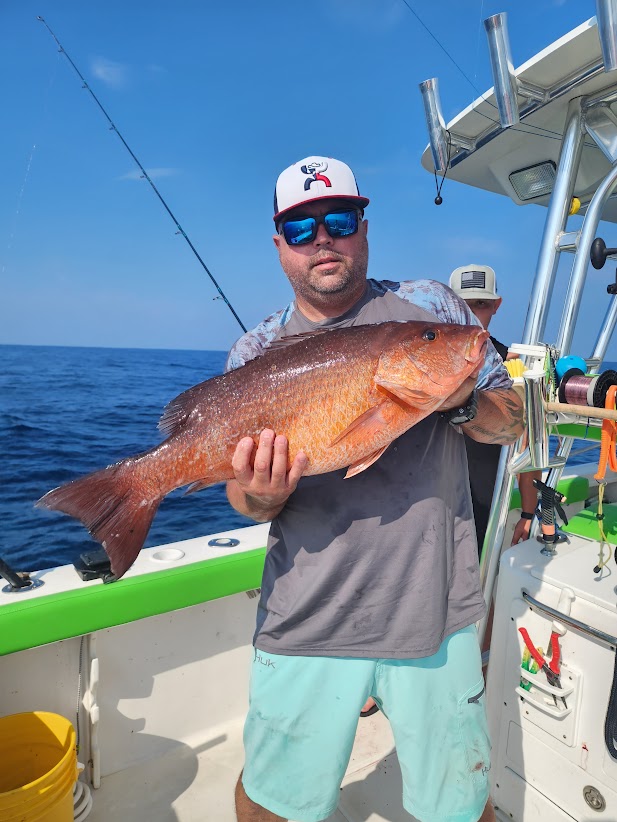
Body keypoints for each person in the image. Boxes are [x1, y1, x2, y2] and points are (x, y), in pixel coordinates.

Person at [226, 156, 524, 822]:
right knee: (273, 800)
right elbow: (244, 503)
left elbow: (509, 421)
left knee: (459, 803)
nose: (323, 239)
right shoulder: (254, 351)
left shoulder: (434, 309)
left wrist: (458, 401)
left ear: (362, 227)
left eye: (339, 220)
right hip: (306, 615)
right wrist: (262, 494)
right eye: (301, 229)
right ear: (280, 247)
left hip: (434, 611)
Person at [448, 265, 540, 550]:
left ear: (496, 306)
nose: (472, 315)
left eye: (482, 304)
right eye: (462, 306)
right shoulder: (424, 363)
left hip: (483, 500)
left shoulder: (512, 366)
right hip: (431, 498)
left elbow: (528, 446)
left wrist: (527, 512)